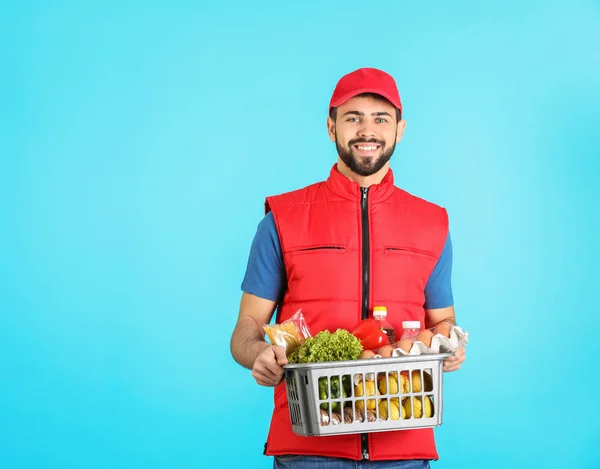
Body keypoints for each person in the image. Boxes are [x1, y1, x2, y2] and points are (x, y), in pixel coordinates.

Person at [230, 67, 466, 469]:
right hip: (308, 445)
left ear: (400, 129)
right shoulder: (282, 218)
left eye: (380, 119)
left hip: (403, 444)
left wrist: (450, 346)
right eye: (353, 117)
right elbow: (245, 331)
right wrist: (259, 354)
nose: (367, 130)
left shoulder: (432, 222)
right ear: (331, 127)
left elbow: (443, 323)